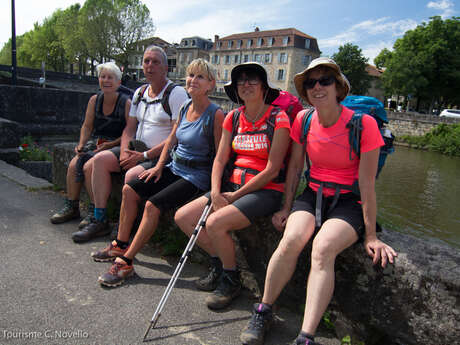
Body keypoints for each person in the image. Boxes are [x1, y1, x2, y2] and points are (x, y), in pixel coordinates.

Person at [239, 57, 398, 345]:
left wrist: (371, 235)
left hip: (348, 201)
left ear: (338, 87)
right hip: (312, 194)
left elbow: (367, 185)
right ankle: (263, 310)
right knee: (290, 241)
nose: (317, 86)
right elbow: (296, 168)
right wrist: (286, 207)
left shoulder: (364, 125)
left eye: (325, 80)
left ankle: (306, 336)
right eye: (311, 82)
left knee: (323, 248)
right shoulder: (305, 119)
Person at [92, 58, 224, 287]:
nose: (193, 80)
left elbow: (221, 155)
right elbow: (172, 140)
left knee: (153, 205)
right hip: (174, 167)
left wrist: (216, 187)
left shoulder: (216, 114)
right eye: (191, 75)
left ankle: (126, 261)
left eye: (200, 77)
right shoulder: (185, 107)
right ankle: (121, 243)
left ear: (211, 84)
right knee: (129, 189)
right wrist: (158, 166)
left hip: (196, 176)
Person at [175, 62, 291, 310]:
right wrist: (216, 192)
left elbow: (272, 168)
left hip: (264, 191)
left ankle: (231, 279)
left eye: (252, 80)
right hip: (230, 188)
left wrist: (236, 195)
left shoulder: (278, 118)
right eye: (241, 81)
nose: (246, 85)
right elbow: (220, 158)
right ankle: (220, 263)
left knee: (215, 223)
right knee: (183, 217)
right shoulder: (233, 117)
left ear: (263, 87)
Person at [70, 45, 188, 243]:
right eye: (146, 61)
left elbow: (175, 136)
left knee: (132, 174)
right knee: (98, 160)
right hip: (135, 149)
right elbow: (129, 128)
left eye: (156, 62)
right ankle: (100, 220)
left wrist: (144, 156)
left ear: (166, 68)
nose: (150, 66)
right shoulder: (140, 93)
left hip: (159, 155)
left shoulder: (176, 94)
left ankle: (127, 225)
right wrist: (125, 151)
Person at [50, 62, 130, 233]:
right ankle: (72, 206)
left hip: (114, 144)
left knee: (89, 167)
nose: (106, 80)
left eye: (110, 78)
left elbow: (129, 132)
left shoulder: (125, 103)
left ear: (118, 82)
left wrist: (111, 144)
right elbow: (87, 126)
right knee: (73, 165)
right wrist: (81, 144)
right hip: (97, 142)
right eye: (103, 77)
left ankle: (96, 213)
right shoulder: (95, 100)